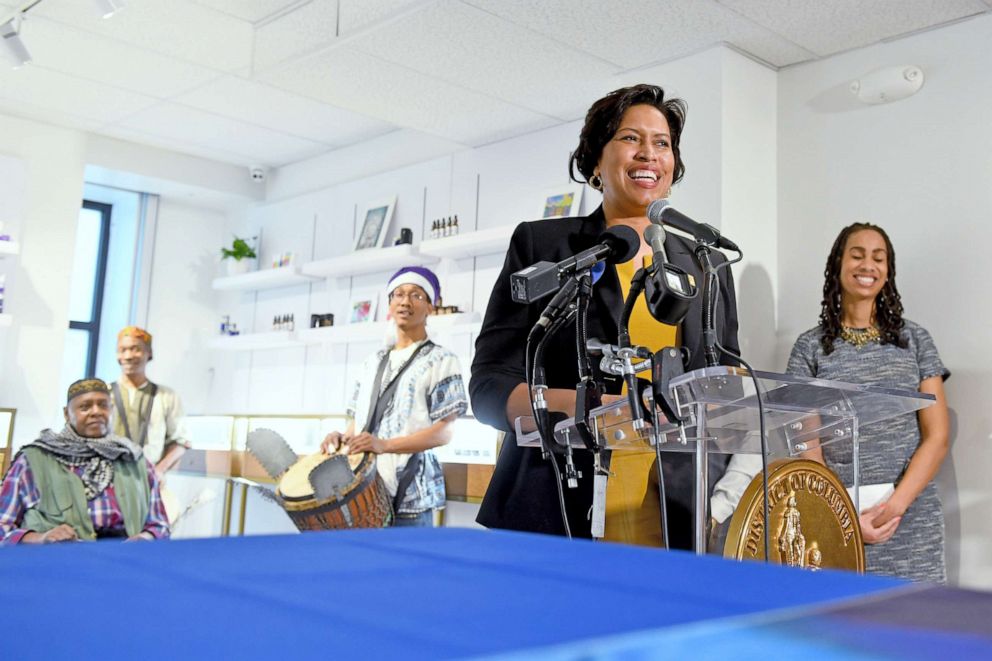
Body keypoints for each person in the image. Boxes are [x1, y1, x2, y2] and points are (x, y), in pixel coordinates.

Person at [471, 84, 740, 550]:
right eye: (630, 138)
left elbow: (724, 384)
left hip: (672, 516)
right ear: (596, 160)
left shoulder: (706, 264)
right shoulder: (544, 247)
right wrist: (590, 408)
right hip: (554, 503)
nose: (649, 155)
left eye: (662, 144)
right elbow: (489, 386)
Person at [786, 222, 950, 582]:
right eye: (857, 255)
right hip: (837, 519)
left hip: (911, 522)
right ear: (837, 265)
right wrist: (842, 517)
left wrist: (894, 507)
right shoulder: (809, 348)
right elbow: (806, 444)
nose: (868, 266)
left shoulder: (916, 340)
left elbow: (937, 436)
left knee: (918, 627)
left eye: (879, 258)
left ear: (888, 271)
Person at [320, 266, 468, 527]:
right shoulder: (371, 362)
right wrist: (342, 439)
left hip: (412, 494)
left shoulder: (442, 360)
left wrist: (384, 445)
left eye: (416, 295)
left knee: (409, 568)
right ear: (389, 304)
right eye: (398, 294)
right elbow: (359, 421)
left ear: (431, 307)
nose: (405, 301)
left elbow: (445, 432)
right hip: (362, 492)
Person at [0, 378, 170, 543]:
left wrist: (144, 538)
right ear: (67, 414)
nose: (96, 411)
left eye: (103, 405)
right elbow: (2, 526)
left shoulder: (135, 461)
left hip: (123, 565)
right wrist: (41, 538)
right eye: (85, 406)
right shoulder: (33, 462)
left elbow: (160, 526)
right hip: (56, 565)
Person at [111, 326, 190, 477]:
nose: (128, 356)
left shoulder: (166, 396)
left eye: (135, 349)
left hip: (147, 478)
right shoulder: (104, 395)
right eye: (122, 349)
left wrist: (159, 471)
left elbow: (181, 442)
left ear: (149, 353)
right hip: (109, 478)